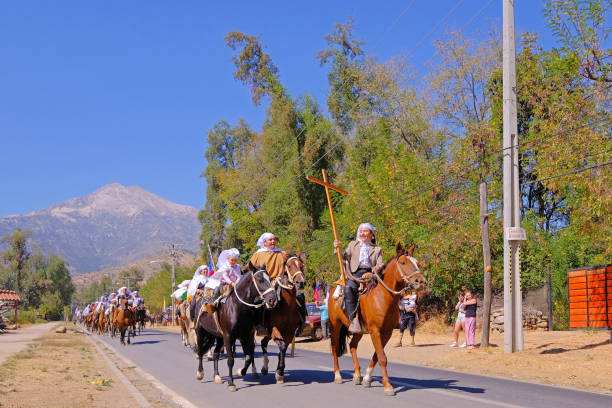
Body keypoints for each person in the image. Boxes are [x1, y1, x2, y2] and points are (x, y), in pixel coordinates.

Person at [333, 223, 384, 333]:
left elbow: (381, 264)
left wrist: (376, 268)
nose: (362, 233)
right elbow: (343, 258)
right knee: (348, 289)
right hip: (355, 275)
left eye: (365, 231)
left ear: (371, 234)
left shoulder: (377, 249)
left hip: (370, 275)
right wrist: (337, 249)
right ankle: (353, 321)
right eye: (361, 231)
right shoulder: (353, 245)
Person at [205, 248, 242, 313]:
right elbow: (225, 276)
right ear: (228, 259)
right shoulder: (225, 266)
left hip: (236, 283)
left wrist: (237, 281)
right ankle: (212, 301)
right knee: (217, 289)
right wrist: (231, 283)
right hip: (225, 283)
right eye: (232, 260)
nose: (233, 262)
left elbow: (239, 275)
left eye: (235, 260)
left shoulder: (238, 267)